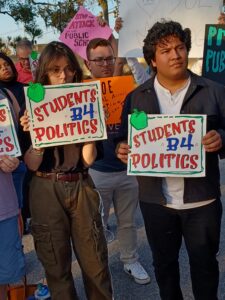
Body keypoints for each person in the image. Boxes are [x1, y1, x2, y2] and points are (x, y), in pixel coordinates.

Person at [116, 20, 225, 300]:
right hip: (156, 203)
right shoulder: (136, 98)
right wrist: (122, 148)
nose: (175, 54)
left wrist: (221, 137)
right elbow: (122, 137)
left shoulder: (213, 91)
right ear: (152, 59)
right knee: (164, 268)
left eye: (180, 47)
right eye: (165, 50)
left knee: (205, 268)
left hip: (202, 202)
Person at [20, 41, 113, 300]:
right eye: (55, 70)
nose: (63, 75)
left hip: (81, 183)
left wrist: (94, 129)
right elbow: (31, 164)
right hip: (45, 187)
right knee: (56, 265)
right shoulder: (33, 107)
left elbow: (89, 159)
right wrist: (36, 137)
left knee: (95, 261)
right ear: (44, 73)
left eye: (68, 69)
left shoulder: (85, 102)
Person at [85, 38, 150, 285]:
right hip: (97, 171)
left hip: (127, 170)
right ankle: (98, 265)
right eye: (99, 59)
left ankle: (130, 260)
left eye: (109, 58)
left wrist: (127, 54)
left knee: (127, 221)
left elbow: (146, 82)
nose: (105, 64)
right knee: (96, 223)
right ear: (87, 63)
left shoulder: (130, 88)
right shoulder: (81, 91)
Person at [0, 91, 25, 300]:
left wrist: (13, 160)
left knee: (3, 278)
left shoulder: (2, 96)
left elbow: (12, 147)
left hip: (3, 207)